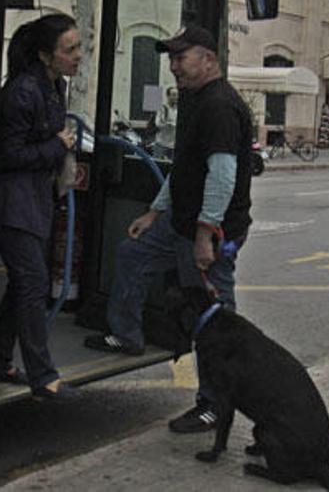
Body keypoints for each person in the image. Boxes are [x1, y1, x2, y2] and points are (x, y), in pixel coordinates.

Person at [84, 24, 253, 433]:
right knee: (132, 255)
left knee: (213, 321)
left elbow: (221, 177)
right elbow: (185, 172)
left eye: (182, 57)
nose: (174, 65)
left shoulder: (219, 108)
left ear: (208, 59)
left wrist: (203, 235)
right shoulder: (197, 101)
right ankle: (127, 335)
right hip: (178, 224)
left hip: (207, 233)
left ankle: (214, 406)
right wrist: (155, 213)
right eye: (172, 58)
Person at [0, 13, 82, 400]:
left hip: (35, 201)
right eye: (70, 49)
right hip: (13, 204)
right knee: (33, 285)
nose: (78, 56)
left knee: (24, 284)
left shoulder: (54, 85)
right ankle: (43, 376)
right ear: (46, 55)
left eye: (79, 47)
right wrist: (56, 147)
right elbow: (7, 155)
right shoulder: (24, 91)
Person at [154, 86, 179, 159]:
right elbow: (157, 123)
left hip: (173, 145)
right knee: (158, 165)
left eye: (177, 95)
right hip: (161, 144)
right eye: (173, 95)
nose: (176, 97)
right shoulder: (163, 109)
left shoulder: (178, 110)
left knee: (171, 167)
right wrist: (167, 124)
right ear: (168, 96)